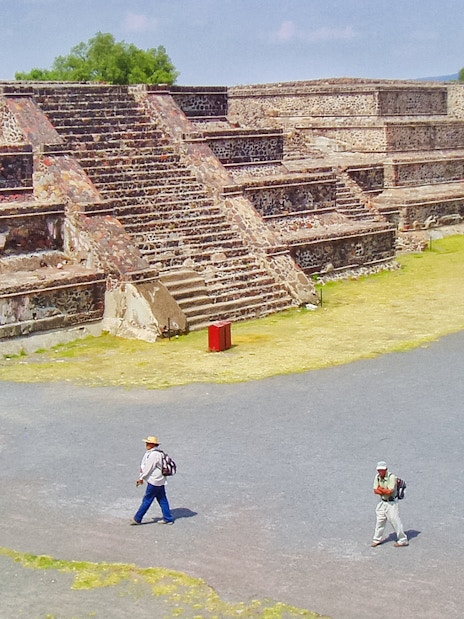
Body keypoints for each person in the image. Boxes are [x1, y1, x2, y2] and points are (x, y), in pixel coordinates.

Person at [130, 436, 175, 525]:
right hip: (160, 480)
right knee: (162, 499)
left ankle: (137, 518)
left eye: (148, 443)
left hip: (154, 481)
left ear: (153, 444)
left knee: (147, 499)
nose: (146, 444)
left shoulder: (153, 455)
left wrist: (141, 478)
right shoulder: (158, 453)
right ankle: (168, 518)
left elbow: (148, 468)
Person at [371, 461, 408, 547]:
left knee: (395, 520)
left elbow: (390, 491)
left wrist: (381, 489)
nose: (380, 472)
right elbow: (375, 490)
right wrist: (384, 491)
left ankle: (403, 539)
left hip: (392, 503)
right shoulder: (377, 477)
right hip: (382, 502)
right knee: (380, 520)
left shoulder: (392, 477)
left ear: (386, 470)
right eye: (379, 470)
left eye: (382, 470)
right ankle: (377, 539)